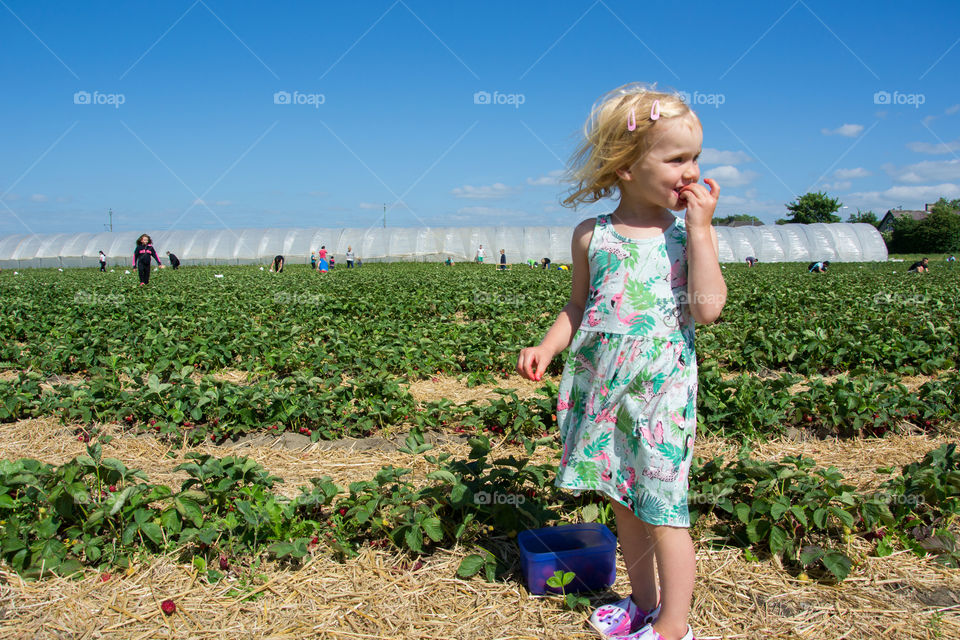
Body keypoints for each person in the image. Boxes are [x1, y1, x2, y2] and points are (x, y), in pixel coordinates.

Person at [516, 85, 724, 640]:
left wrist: (701, 232)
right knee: (624, 502)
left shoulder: (685, 237)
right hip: (604, 388)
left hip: (660, 393)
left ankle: (673, 627)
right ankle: (643, 602)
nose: (692, 171)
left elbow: (708, 311)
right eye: (676, 158)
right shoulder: (592, 235)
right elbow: (577, 305)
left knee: (664, 507)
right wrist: (547, 344)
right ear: (627, 166)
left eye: (695, 157)